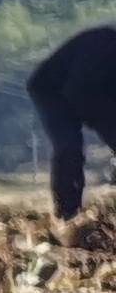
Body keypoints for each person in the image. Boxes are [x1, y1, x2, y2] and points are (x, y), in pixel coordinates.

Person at [27, 23, 116, 219]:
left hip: (84, 92)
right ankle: (67, 214)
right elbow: (79, 93)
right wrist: (108, 129)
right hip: (51, 90)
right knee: (69, 148)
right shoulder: (103, 47)